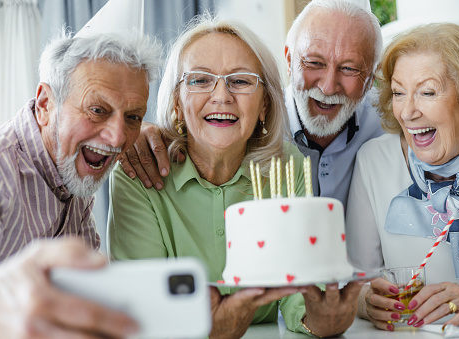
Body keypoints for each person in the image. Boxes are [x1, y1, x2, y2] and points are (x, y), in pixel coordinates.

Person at [108, 16, 362, 338]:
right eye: (200, 80)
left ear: (265, 106)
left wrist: (322, 321)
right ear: (177, 100)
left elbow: (302, 297)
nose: (222, 96)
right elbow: (141, 305)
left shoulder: (288, 165)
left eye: (240, 81)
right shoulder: (138, 172)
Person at [118, 0, 384, 209]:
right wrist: (136, 135)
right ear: (289, 59)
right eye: (314, 63)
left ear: (372, 77)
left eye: (349, 69)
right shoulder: (246, 133)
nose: (327, 86)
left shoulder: (393, 127)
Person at [0, 30, 161, 338]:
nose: (119, 137)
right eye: (98, 110)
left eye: (134, 117)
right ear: (45, 105)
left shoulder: (74, 173)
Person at [345, 23, 459, 331]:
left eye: (427, 92)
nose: (407, 112)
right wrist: (366, 302)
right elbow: (357, 278)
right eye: (399, 93)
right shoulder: (374, 161)